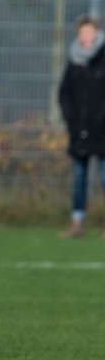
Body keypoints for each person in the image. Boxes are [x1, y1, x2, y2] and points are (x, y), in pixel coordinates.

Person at [58, 14, 105, 238]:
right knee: (79, 180)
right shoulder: (74, 60)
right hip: (79, 132)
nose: (85, 36)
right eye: (81, 32)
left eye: (89, 31)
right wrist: (70, 120)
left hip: (103, 130)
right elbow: (64, 94)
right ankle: (77, 223)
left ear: (96, 33)